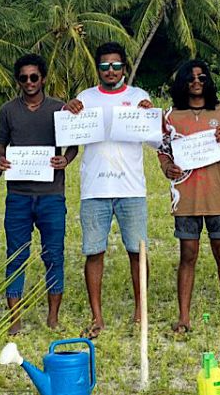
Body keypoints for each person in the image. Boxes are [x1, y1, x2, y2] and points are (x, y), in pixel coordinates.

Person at [64, 42, 153, 339]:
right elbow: (69, 140)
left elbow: (156, 141)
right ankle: (97, 316)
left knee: (137, 251)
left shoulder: (139, 98)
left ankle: (141, 311)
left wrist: (150, 117)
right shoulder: (84, 99)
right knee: (93, 252)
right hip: (94, 188)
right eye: (105, 66)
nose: (111, 71)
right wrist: (67, 113)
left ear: (124, 68)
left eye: (116, 65)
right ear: (98, 69)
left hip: (131, 188)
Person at [0, 54, 76, 334]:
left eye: (34, 77)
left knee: (54, 254)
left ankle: (53, 316)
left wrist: (66, 160)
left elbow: (73, 145)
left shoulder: (60, 109)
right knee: (16, 255)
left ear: (43, 78)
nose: (29, 82)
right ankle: (15, 319)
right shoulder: (8, 110)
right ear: (18, 80)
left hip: (52, 195)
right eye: (23, 78)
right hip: (18, 194)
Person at [159, 59, 220, 333]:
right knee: (188, 254)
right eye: (190, 78)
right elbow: (163, 150)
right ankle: (184, 317)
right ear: (182, 82)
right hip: (186, 195)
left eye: (202, 77)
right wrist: (166, 167)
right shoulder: (171, 116)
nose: (196, 82)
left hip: (217, 194)